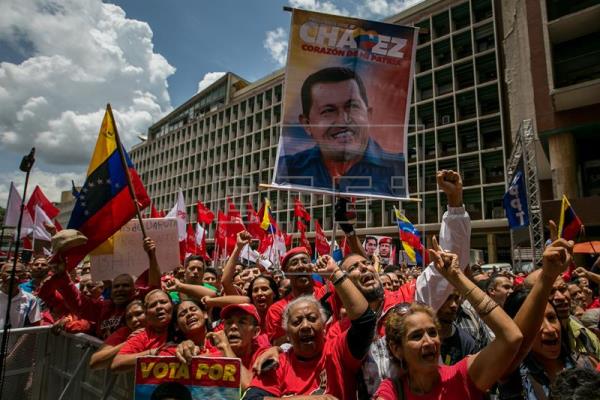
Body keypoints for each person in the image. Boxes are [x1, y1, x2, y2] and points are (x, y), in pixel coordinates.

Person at [374, 239, 523, 400]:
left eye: (433, 333)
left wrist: (458, 278)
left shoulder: (461, 377)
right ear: (396, 349)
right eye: (416, 336)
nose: (429, 342)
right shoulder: (392, 391)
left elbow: (511, 337)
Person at [244, 254, 377, 399]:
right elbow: (251, 399)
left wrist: (335, 273)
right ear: (287, 334)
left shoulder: (338, 351)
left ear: (324, 327)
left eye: (312, 319)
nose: (305, 326)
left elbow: (366, 322)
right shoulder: (277, 363)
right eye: (297, 322)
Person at [275, 66, 406, 197]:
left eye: (352, 107)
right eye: (328, 111)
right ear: (307, 124)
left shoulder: (400, 169)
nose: (343, 121)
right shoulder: (286, 169)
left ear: (368, 115)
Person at [111, 289, 173, 371]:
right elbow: (117, 363)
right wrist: (152, 353)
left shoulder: (183, 324)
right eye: (153, 305)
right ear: (146, 314)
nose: (159, 307)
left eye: (163, 302)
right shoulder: (142, 335)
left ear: (173, 305)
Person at [89, 299, 146, 369]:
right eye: (129, 317)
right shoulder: (125, 332)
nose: (133, 320)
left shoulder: (158, 329)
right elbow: (94, 362)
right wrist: (130, 342)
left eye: (139, 314)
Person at [0, 262, 41, 328]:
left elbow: (34, 325)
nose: (13, 275)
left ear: (24, 276)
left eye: (17, 272)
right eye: (9, 272)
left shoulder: (30, 299)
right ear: (1, 275)